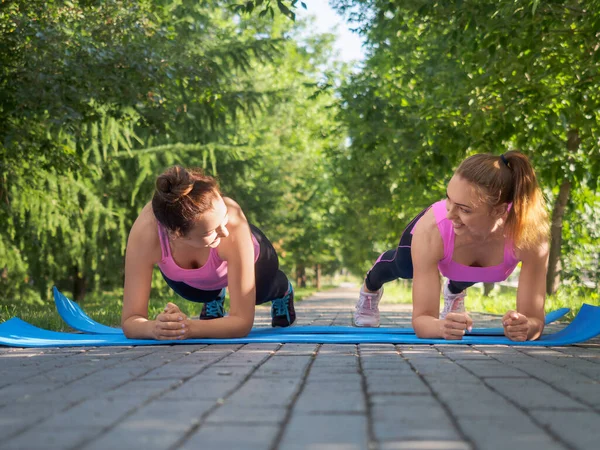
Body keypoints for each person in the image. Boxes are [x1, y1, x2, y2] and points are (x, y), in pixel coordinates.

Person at [353, 151, 550, 341]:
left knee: (472, 270)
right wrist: (440, 327)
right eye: (449, 198)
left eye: (465, 209)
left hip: (470, 253)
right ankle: (370, 286)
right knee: (404, 265)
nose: (450, 214)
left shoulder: (530, 237)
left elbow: (535, 321)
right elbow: (422, 320)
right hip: (436, 242)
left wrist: (524, 327)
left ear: (499, 210)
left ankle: (454, 291)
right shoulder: (431, 229)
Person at [122, 166, 295, 340]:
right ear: (177, 234)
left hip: (258, 259)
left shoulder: (233, 225)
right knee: (197, 293)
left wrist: (188, 328)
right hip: (200, 279)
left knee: (258, 293)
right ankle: (214, 295)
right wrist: (155, 328)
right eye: (210, 231)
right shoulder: (146, 233)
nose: (224, 232)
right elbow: (130, 320)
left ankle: (283, 290)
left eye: (224, 217)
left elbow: (242, 322)